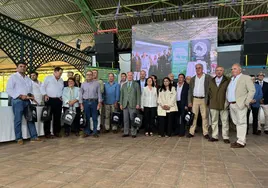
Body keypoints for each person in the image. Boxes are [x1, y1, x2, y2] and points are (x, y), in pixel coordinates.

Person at [6, 61, 42, 144]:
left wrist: (32, 96)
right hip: (17, 101)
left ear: (26, 68)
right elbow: (9, 90)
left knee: (30, 119)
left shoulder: (28, 78)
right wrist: (20, 96)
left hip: (27, 101)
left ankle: (34, 136)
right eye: (21, 66)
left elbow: (30, 90)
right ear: (17, 68)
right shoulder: (13, 77)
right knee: (18, 120)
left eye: (24, 66)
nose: (23, 68)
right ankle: (19, 138)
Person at [227, 63, 255, 148]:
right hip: (232, 105)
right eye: (232, 69)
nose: (233, 70)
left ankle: (241, 142)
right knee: (237, 122)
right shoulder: (232, 79)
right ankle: (239, 139)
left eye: (235, 69)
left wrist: (246, 103)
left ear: (240, 70)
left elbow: (252, 91)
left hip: (240, 104)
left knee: (242, 123)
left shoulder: (246, 78)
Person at [187, 63, 211, 139]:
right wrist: (189, 101)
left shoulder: (208, 77)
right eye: (196, 68)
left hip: (204, 99)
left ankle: (205, 133)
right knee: (194, 116)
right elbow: (190, 91)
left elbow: (210, 90)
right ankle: (191, 132)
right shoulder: (193, 79)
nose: (198, 69)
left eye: (199, 68)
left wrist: (209, 101)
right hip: (195, 99)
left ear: (202, 68)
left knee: (205, 116)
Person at [208, 66, 230, 143]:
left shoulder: (227, 80)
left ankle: (226, 137)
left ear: (223, 71)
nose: (219, 72)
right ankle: (215, 136)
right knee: (214, 121)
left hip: (224, 104)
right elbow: (209, 92)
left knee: (225, 121)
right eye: (217, 70)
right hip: (213, 104)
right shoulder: (211, 80)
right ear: (215, 71)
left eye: (220, 70)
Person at [41, 67, 64, 138]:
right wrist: (45, 94)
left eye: (61, 73)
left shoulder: (61, 80)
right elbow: (42, 87)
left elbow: (62, 89)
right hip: (49, 100)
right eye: (60, 73)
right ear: (55, 72)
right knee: (48, 117)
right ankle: (47, 133)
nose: (60, 74)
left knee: (57, 117)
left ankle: (56, 132)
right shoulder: (48, 78)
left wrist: (61, 96)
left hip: (58, 100)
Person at [80, 70, 102, 137]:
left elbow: (99, 94)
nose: (89, 76)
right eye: (87, 74)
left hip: (94, 102)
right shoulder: (83, 84)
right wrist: (81, 104)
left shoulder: (97, 83)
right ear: (86, 76)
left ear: (92, 76)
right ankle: (87, 132)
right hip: (85, 102)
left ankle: (95, 132)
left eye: (90, 74)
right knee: (87, 117)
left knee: (95, 118)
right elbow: (80, 94)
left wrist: (99, 103)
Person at [120, 72, 141, 138]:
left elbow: (138, 95)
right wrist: (121, 104)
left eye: (131, 75)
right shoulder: (124, 85)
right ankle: (126, 132)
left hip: (133, 104)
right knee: (125, 119)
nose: (129, 76)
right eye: (128, 75)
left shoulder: (136, 84)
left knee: (133, 119)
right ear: (127, 76)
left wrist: (138, 103)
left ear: (133, 76)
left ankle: (133, 133)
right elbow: (121, 96)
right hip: (125, 104)